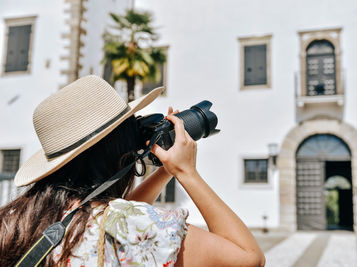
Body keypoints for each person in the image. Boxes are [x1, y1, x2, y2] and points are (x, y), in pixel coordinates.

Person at [0, 76, 265, 267]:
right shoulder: (131, 226)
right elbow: (248, 257)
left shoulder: (15, 221)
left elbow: (111, 216)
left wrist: (164, 169)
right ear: (119, 150)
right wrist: (186, 172)